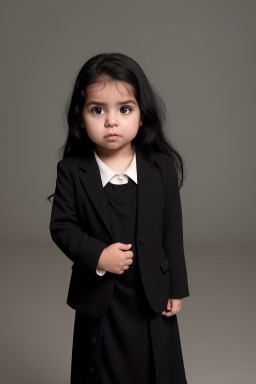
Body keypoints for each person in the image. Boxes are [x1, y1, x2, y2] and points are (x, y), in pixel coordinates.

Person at [48, 52, 190, 384]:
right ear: (81, 118)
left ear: (142, 116)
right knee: (100, 368)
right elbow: (62, 226)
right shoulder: (72, 170)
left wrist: (176, 288)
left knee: (155, 367)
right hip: (100, 295)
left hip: (149, 291)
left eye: (124, 109)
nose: (111, 121)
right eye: (98, 110)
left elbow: (173, 230)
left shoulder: (161, 168)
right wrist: (98, 255)